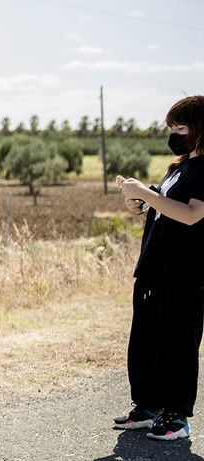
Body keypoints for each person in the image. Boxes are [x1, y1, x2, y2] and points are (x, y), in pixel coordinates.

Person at [113, 95, 204, 441]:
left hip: (186, 272)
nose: (175, 135)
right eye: (171, 128)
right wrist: (140, 198)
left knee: (178, 343)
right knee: (146, 340)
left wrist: (148, 195)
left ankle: (176, 417)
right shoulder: (179, 167)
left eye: (181, 127)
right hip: (154, 266)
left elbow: (193, 215)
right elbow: (167, 208)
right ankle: (148, 408)